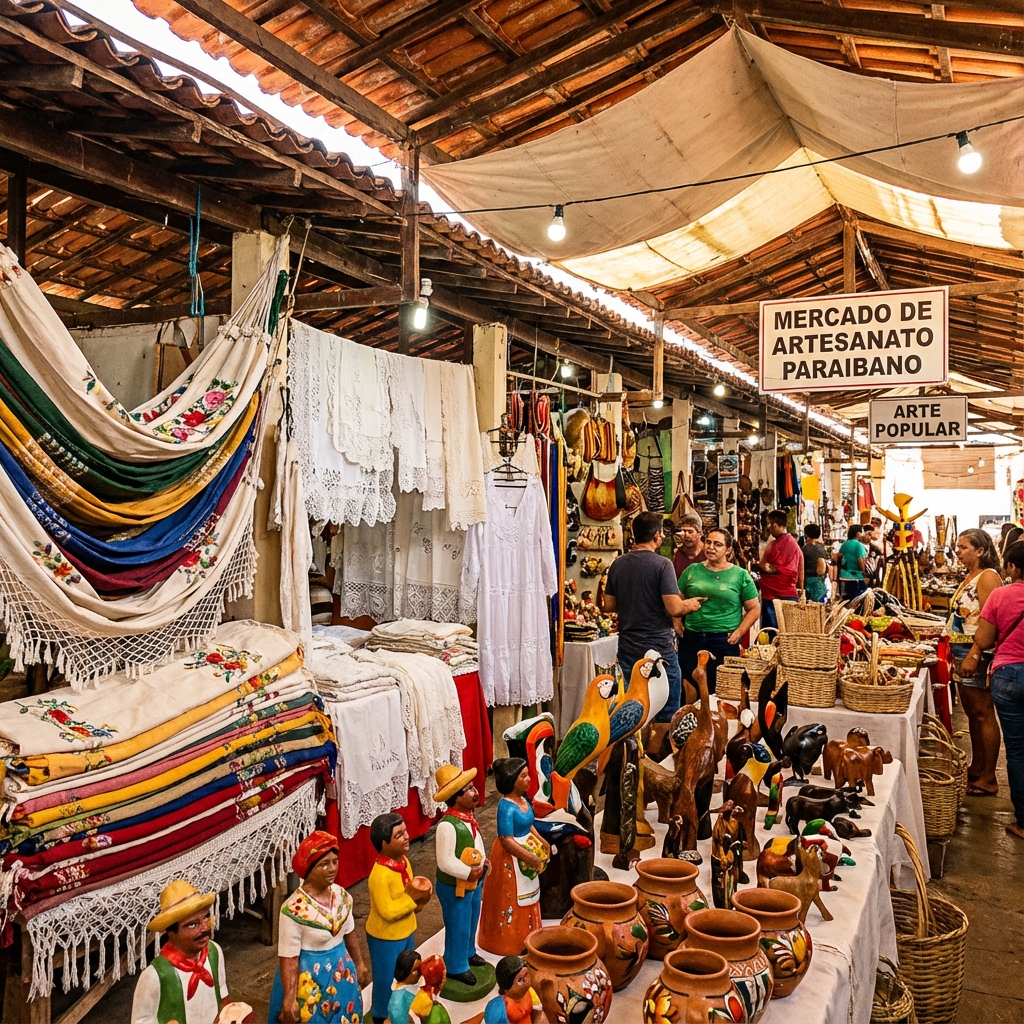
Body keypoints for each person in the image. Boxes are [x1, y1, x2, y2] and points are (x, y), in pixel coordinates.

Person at [602, 511, 701, 724]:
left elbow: (608, 605)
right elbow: (674, 608)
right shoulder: (662, 565)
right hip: (658, 647)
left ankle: (634, 747)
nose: (664, 537)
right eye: (662, 533)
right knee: (666, 702)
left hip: (628, 645)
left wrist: (633, 600)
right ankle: (660, 750)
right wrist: (690, 605)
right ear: (656, 535)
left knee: (631, 703)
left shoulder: (618, 564)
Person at [269, 830, 369, 1024]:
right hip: (310, 979)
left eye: (334, 862)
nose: (332, 869)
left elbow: (349, 933)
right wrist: (290, 998)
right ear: (309, 869)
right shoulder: (293, 909)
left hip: (342, 972)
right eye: (324, 864)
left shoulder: (341, 897)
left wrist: (359, 963)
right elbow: (289, 957)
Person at [948, 529, 1003, 797]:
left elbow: (989, 619)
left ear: (981, 550)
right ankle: (978, 766)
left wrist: (976, 652)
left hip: (976, 651)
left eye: (964, 547)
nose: (958, 551)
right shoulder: (970, 576)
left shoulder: (988, 577)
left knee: (982, 713)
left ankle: (989, 777)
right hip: (962, 649)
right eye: (957, 547)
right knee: (972, 713)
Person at [974, 541, 1024, 838]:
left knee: (1017, 751)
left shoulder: (1000, 595)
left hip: (1008, 676)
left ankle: (1023, 822)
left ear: (1012, 567)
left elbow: (984, 639)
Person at [478, 758, 550, 957]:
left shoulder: (524, 800)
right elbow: (506, 839)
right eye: (523, 776)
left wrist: (541, 841)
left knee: (531, 894)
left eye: (528, 774)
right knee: (515, 898)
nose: (528, 779)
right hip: (511, 859)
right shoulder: (506, 807)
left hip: (527, 852)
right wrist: (529, 857)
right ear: (512, 780)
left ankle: (529, 935)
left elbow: (529, 824)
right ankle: (509, 941)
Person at [677, 529, 760, 698]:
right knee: (690, 688)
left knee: (720, 691)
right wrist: (676, 620)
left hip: (723, 641)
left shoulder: (740, 575)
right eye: (708, 542)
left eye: (718, 544)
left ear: (728, 550)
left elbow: (754, 608)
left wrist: (739, 633)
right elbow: (677, 599)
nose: (711, 547)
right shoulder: (692, 570)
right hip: (692, 638)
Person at [132, 881, 228, 1024]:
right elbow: (141, 1020)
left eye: (206, 917)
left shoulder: (214, 952)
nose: (205, 928)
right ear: (171, 932)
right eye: (192, 924)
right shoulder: (155, 975)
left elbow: (222, 991)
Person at [366, 813, 431, 1024]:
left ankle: (403, 1005)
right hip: (386, 937)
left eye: (405, 831)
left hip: (406, 929)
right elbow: (388, 911)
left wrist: (420, 900)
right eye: (399, 835)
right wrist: (413, 900)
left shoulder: (403, 862)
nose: (406, 837)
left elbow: (409, 890)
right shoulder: (380, 874)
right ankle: (381, 1014)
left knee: (407, 973)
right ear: (384, 843)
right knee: (386, 978)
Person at [432, 763, 489, 987]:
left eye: (473, 787)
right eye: (469, 789)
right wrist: (468, 872)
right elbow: (445, 861)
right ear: (456, 797)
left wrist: (483, 863)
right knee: (458, 923)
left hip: (473, 883)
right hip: (454, 885)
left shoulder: (468, 820)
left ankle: (468, 952)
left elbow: (476, 845)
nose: (475, 793)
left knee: (472, 918)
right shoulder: (447, 825)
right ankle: (456, 965)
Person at [757, 510, 802, 629]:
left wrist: (761, 566)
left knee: (779, 630)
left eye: (772, 524)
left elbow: (771, 567)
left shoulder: (789, 543)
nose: (769, 527)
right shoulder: (776, 543)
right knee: (774, 631)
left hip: (782, 593)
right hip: (772, 592)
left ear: (781, 525)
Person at [483, 955, 541, 1023]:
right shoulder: (498, 1007)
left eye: (527, 974)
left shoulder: (531, 993)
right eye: (520, 980)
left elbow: (537, 1014)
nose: (526, 981)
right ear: (507, 987)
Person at [388, 949, 422, 1024]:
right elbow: (397, 1016)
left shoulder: (411, 987)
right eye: (415, 970)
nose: (420, 972)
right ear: (405, 971)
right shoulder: (398, 1000)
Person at [836, 524, 868, 602]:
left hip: (844, 576)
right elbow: (860, 560)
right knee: (857, 600)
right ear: (857, 534)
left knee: (848, 599)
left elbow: (839, 557)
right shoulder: (858, 545)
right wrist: (864, 573)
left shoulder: (844, 544)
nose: (862, 534)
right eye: (861, 532)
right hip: (856, 576)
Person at [801, 523, 829, 603]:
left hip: (810, 582)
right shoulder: (821, 547)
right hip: (821, 582)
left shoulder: (805, 549)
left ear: (806, 535)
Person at [672, 513, 705, 578]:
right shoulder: (678, 554)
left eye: (690, 532)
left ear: (700, 534)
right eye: (684, 531)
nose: (686, 535)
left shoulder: (708, 553)